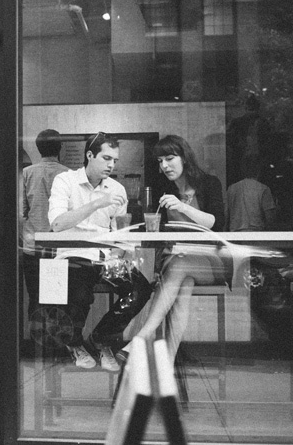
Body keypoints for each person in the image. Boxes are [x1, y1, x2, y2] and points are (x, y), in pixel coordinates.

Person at [48, 132, 152, 371]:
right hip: (73, 255)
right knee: (80, 293)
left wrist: (124, 254)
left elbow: (119, 231)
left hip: (106, 258)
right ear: (89, 155)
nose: (111, 165)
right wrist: (96, 203)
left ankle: (102, 338)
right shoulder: (65, 181)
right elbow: (57, 224)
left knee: (140, 288)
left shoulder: (117, 188)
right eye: (106, 158)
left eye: (115, 160)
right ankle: (75, 344)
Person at [123, 134, 226, 365]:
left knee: (181, 265)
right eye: (160, 161)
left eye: (170, 158)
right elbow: (155, 232)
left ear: (185, 158)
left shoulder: (209, 183)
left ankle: (141, 337)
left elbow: (217, 223)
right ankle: (167, 362)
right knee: (183, 287)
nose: (165, 166)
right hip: (176, 261)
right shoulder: (163, 188)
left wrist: (182, 207)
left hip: (208, 261)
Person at [21, 129, 69, 318]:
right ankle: (56, 345)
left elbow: (21, 212)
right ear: (60, 148)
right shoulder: (69, 175)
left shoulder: (26, 173)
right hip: (59, 248)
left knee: (35, 298)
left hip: (32, 247)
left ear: (38, 149)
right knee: (57, 299)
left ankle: (36, 344)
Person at [225, 155, 277, 231]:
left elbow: (226, 217)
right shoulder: (263, 189)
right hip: (256, 236)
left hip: (235, 235)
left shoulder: (231, 189)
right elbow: (269, 218)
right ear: (259, 170)